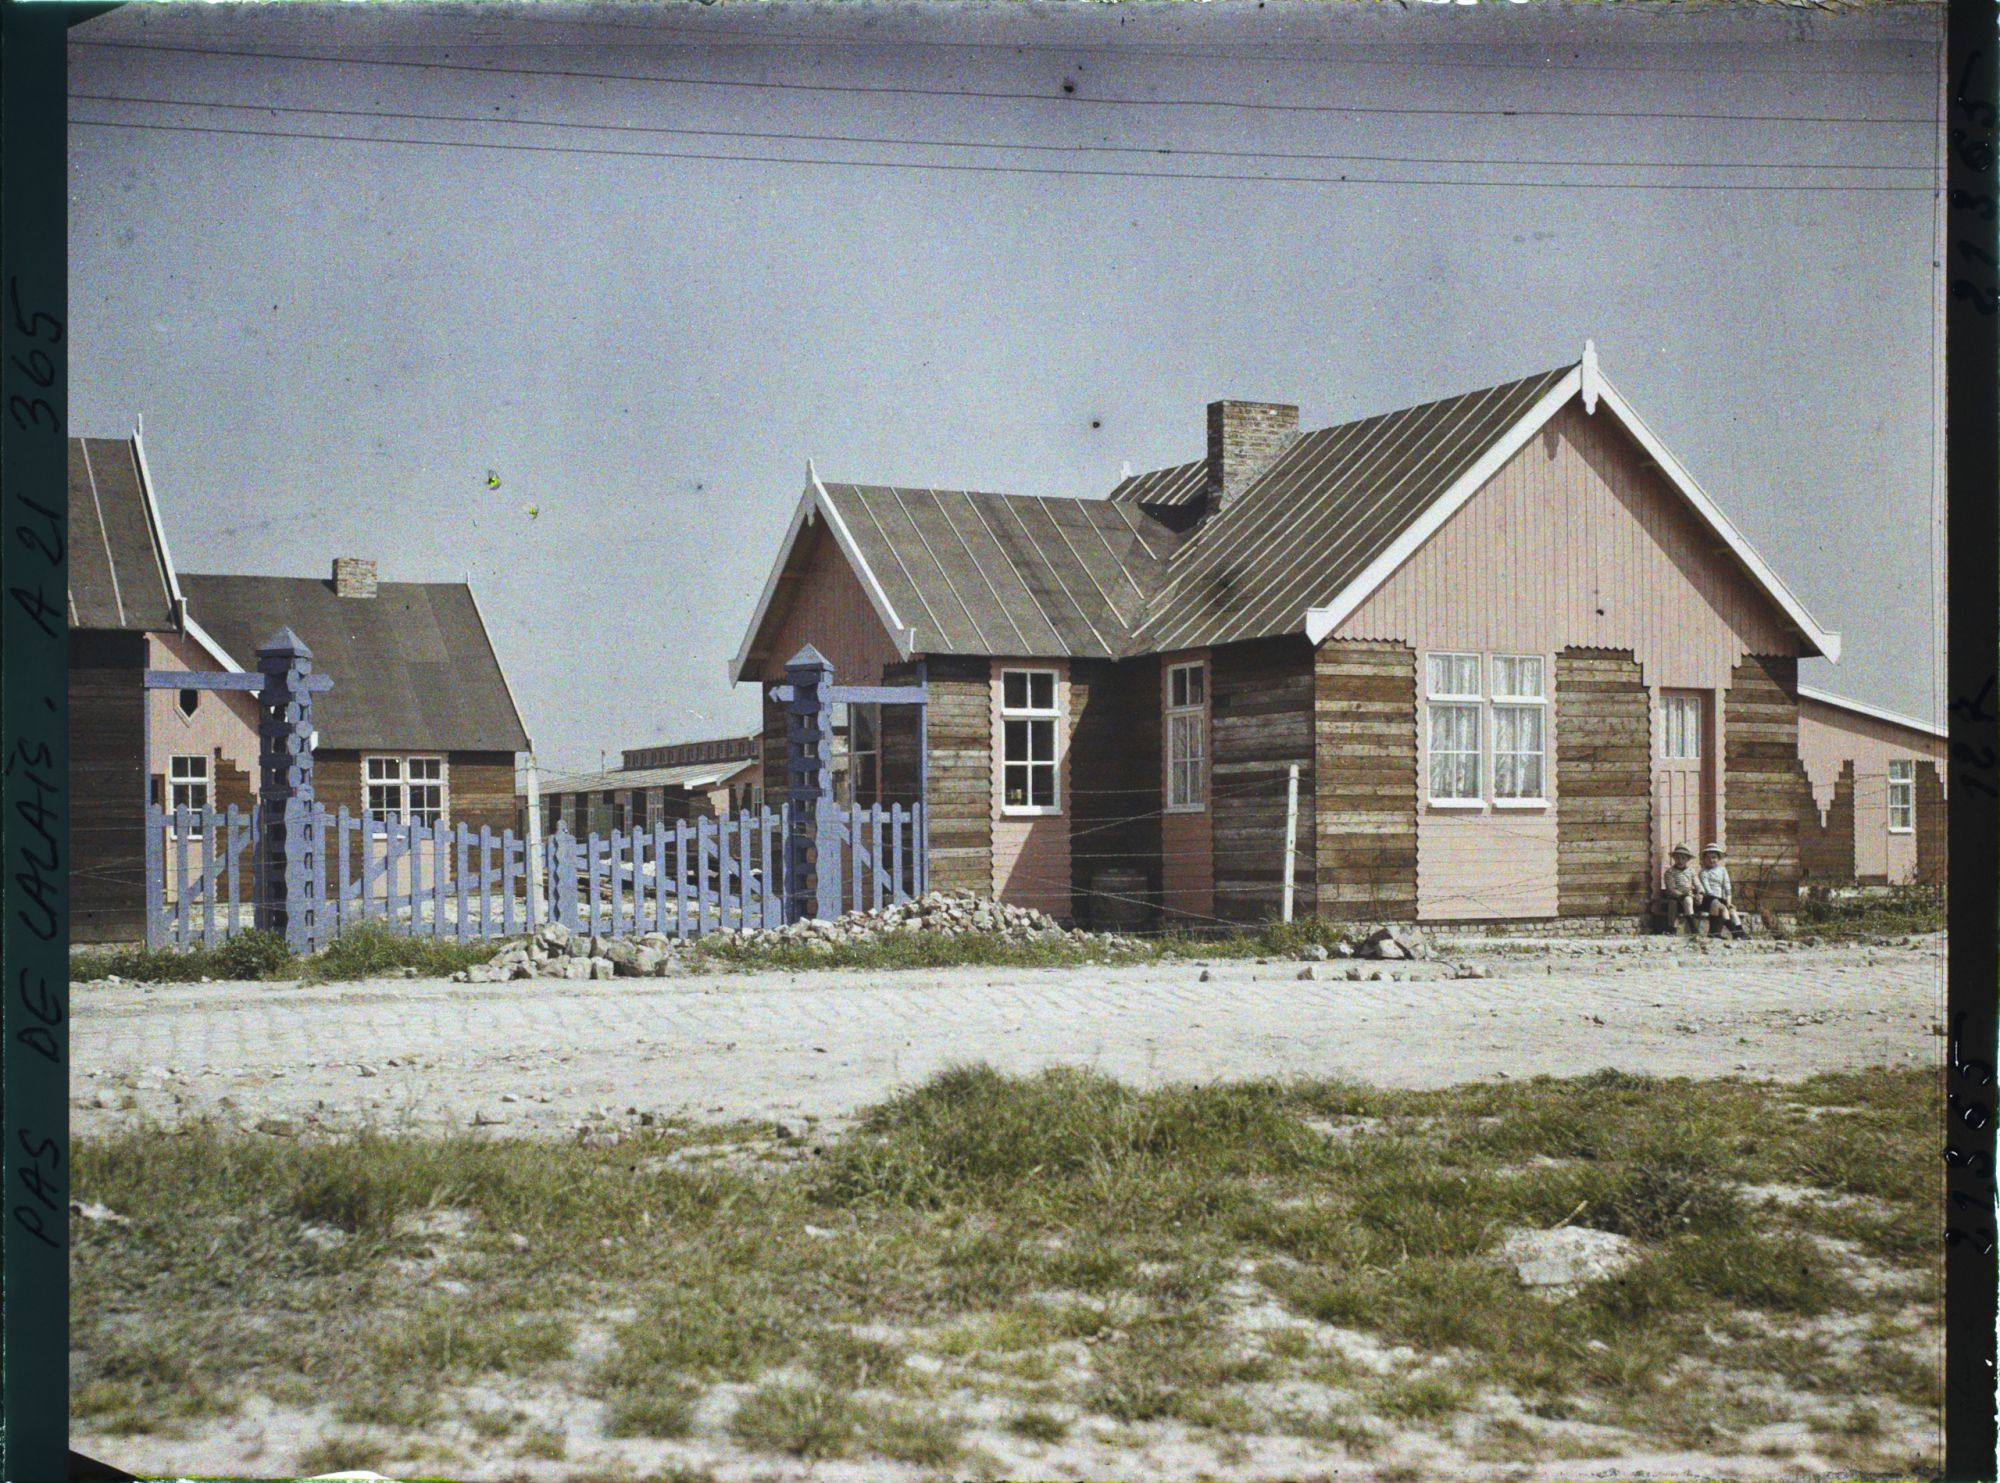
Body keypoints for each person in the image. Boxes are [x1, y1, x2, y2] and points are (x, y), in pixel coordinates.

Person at [1696, 844, 1748, 939]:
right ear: (1704, 859)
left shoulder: (1722, 870)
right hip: (1708, 899)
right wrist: (1723, 903)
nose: (1711, 860)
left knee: (1732, 911)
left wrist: (1729, 902)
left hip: (1720, 899)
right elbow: (1708, 890)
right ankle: (1735, 933)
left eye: (1714, 857)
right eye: (1708, 858)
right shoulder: (1703, 872)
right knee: (1723, 909)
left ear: (1718, 858)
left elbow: (1727, 886)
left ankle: (1742, 934)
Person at [1659, 844, 1700, 931]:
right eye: (1678, 858)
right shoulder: (1670, 872)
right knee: (1673, 903)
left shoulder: (1691, 871)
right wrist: (1681, 894)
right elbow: (1671, 888)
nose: (1680, 860)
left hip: (1688, 897)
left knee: (1688, 900)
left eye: (1683, 858)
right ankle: (1672, 928)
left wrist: (1700, 893)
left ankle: (1693, 928)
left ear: (1687, 859)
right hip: (1675, 896)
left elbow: (1697, 884)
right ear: (1674, 858)